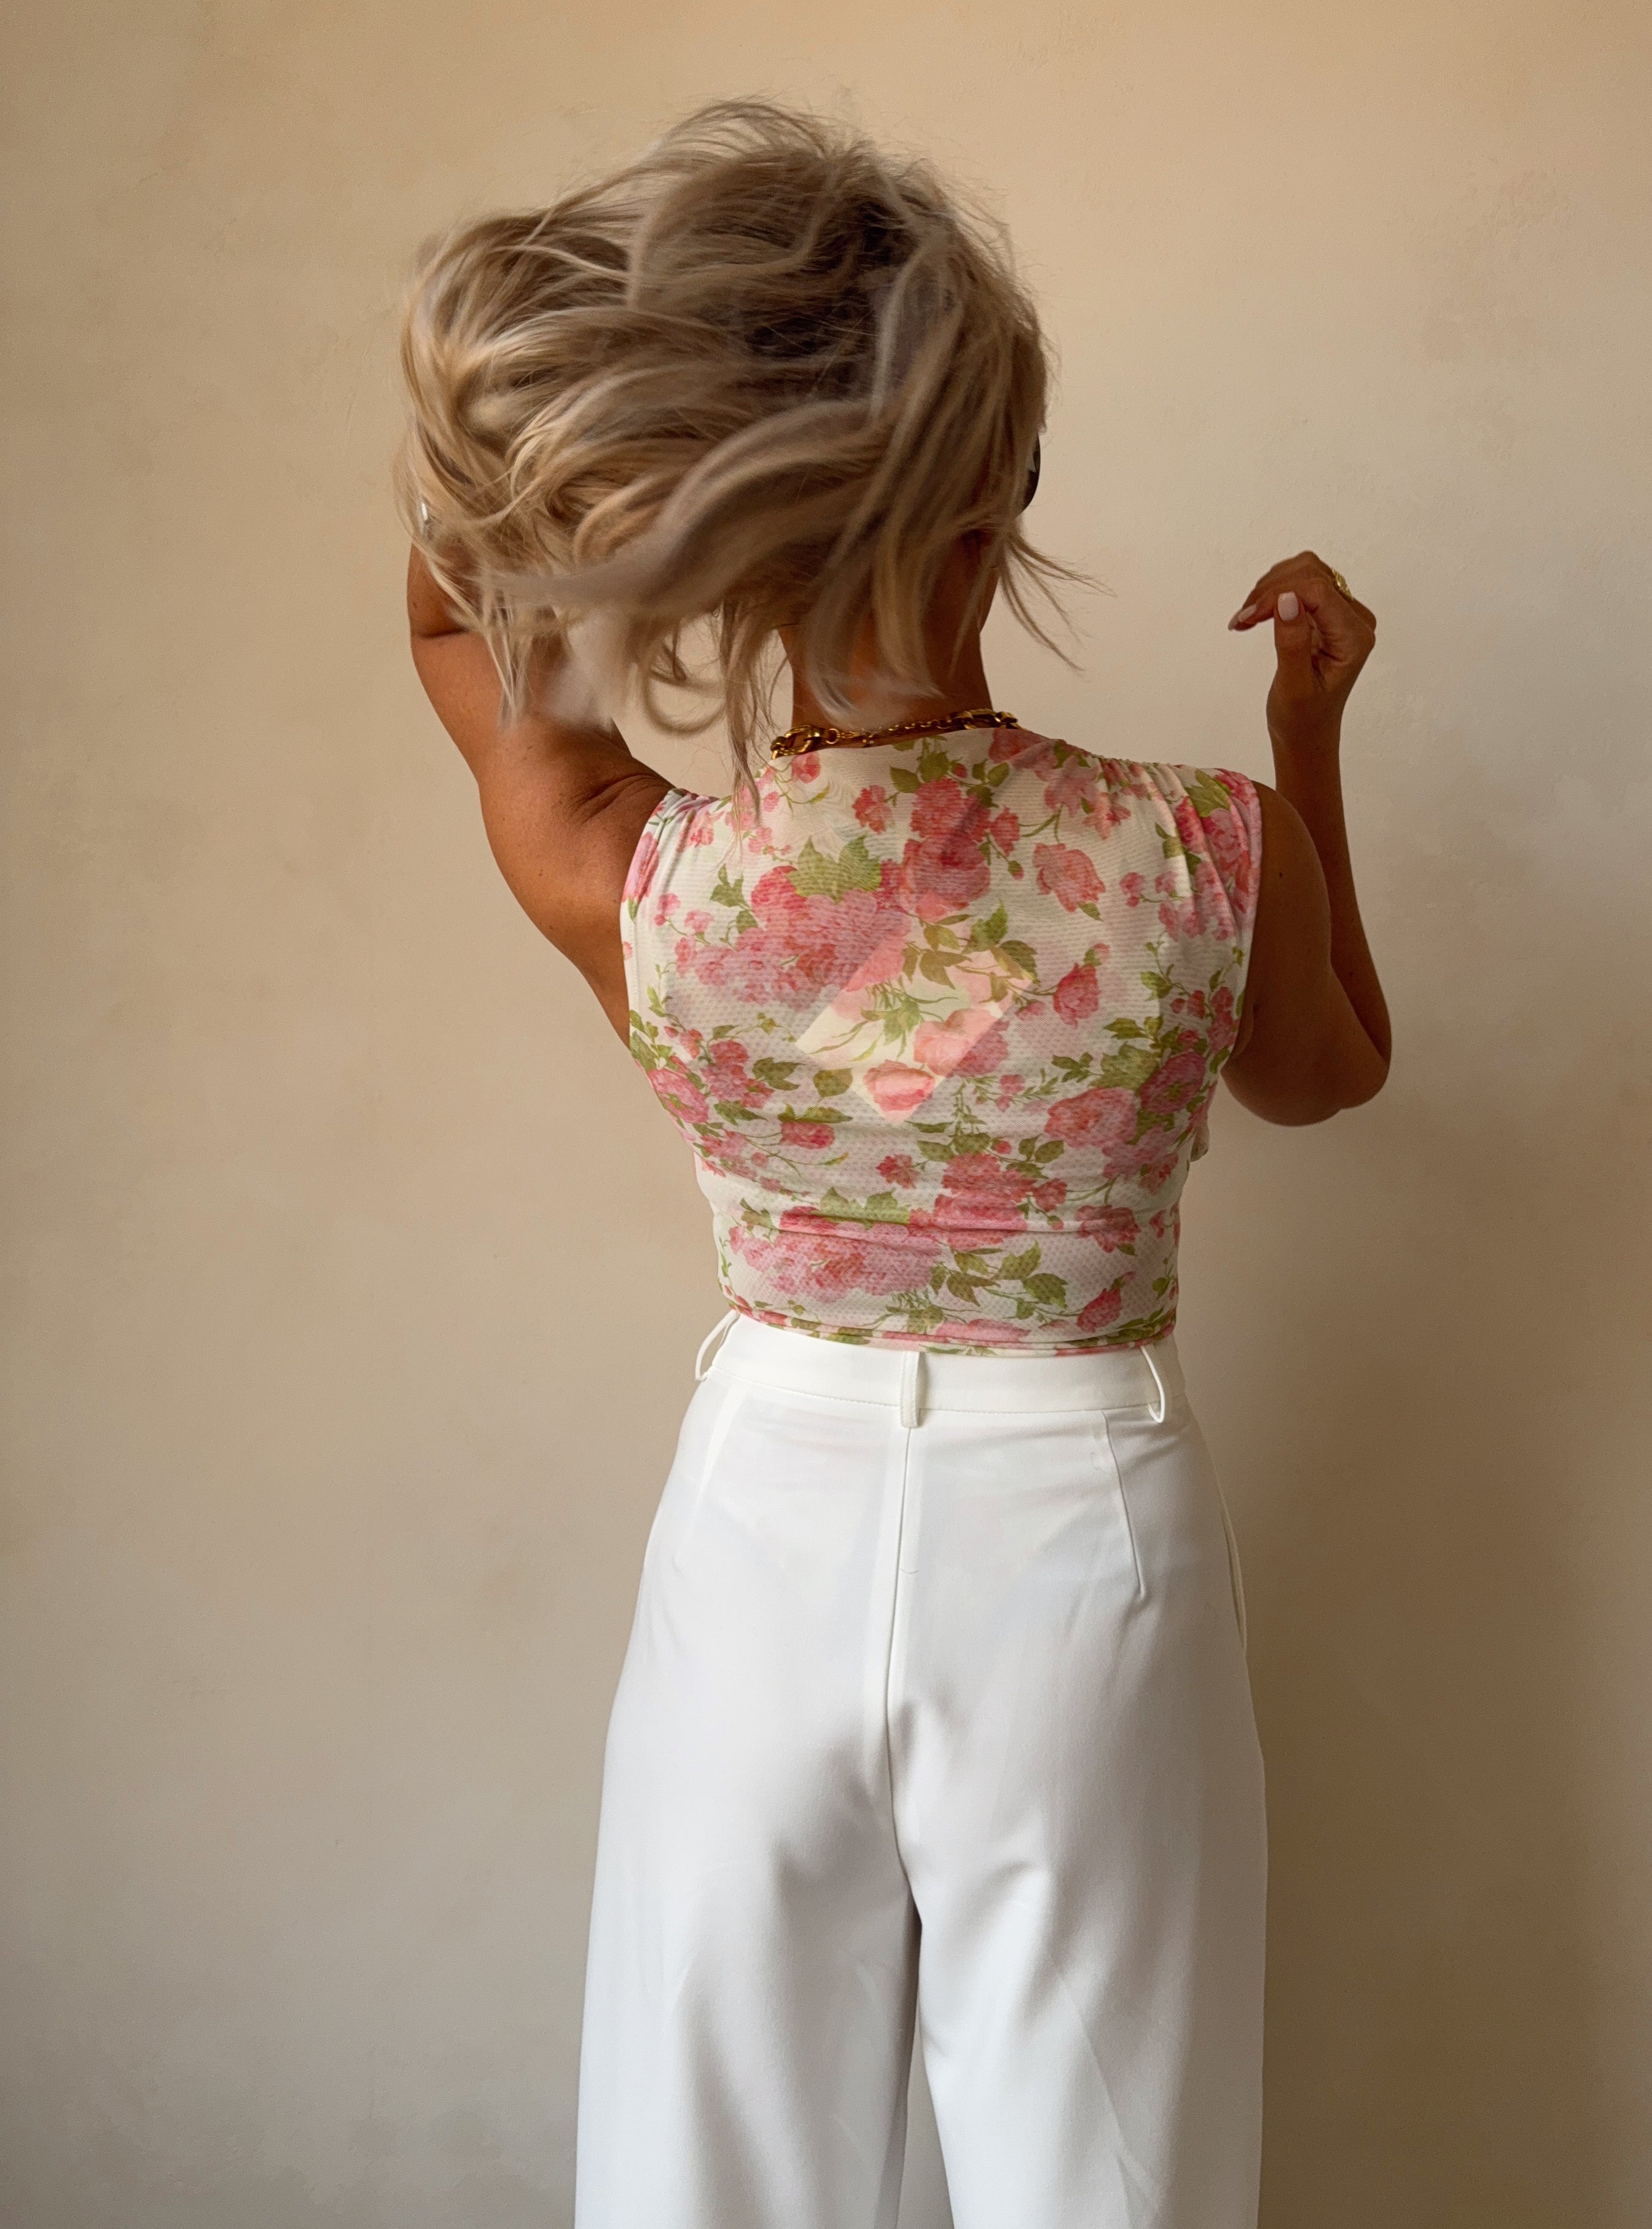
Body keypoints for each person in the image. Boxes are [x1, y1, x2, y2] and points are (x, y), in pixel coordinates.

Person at [397, 96, 1388, 2229]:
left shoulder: (651, 877)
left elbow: (452, 620)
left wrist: (613, 420)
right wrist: (1308, 738)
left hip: (765, 1518)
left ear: (752, 519)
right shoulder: (1205, 848)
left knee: (707, 2177)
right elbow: (1331, 1073)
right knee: (1106, 2184)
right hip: (1084, 1539)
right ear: (1002, 489)